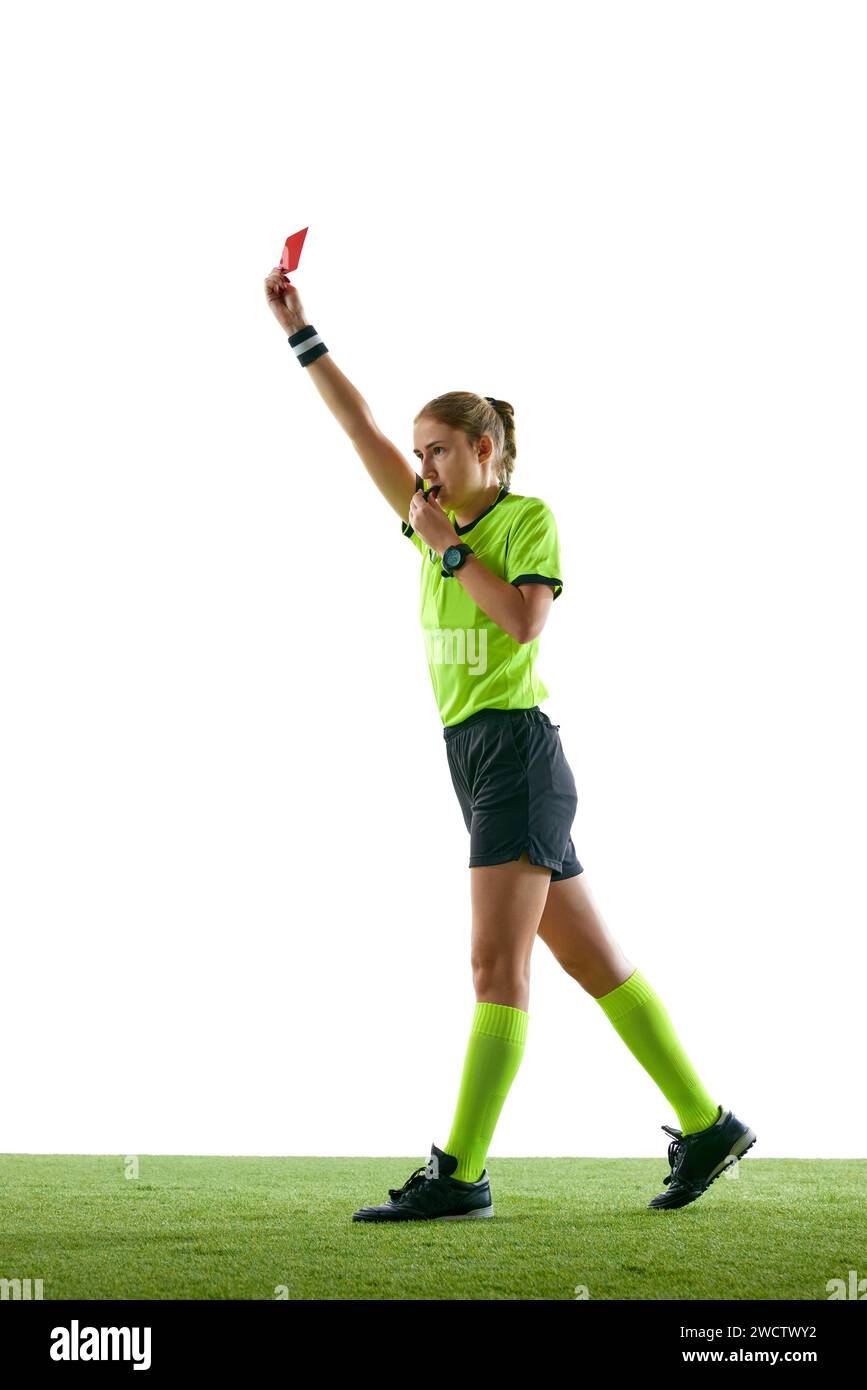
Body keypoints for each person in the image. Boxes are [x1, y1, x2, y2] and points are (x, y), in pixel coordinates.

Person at [264, 265, 756, 1221]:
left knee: (497, 968)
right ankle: (708, 1125)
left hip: (518, 754)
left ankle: (460, 1173)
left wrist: (445, 546)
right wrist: (301, 332)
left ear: (485, 450)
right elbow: (357, 427)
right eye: (418, 454)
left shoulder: (521, 519)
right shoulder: (425, 513)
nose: (423, 468)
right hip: (476, 758)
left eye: (439, 451)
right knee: (594, 963)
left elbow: (523, 624)